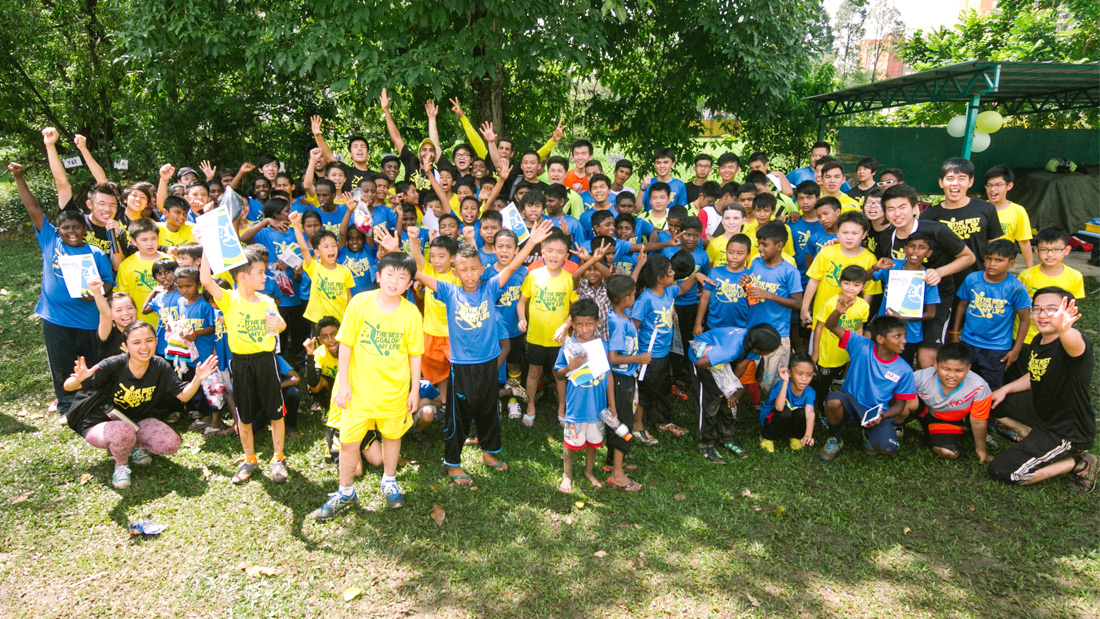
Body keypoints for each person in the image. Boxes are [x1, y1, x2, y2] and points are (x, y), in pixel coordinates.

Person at [410, 221, 551, 485]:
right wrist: (404, 249)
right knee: (459, 416)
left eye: (474, 268)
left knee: (489, 412)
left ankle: (490, 453)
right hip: (461, 367)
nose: (470, 274)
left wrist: (531, 242)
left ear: (482, 269)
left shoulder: (490, 288)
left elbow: (511, 266)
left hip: (488, 364)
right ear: (455, 271)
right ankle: (453, 464)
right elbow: (420, 275)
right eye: (463, 269)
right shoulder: (449, 292)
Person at [312, 251, 424, 517]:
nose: (394, 281)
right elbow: (346, 345)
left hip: (394, 391)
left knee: (392, 436)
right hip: (357, 393)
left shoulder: (411, 313)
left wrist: (415, 390)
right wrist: (344, 384)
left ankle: (389, 480)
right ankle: (345, 491)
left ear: (409, 284)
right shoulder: (360, 303)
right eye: (389, 275)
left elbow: (415, 354)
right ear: (378, 276)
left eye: (402, 277)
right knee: (349, 442)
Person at [12, 161, 115, 422]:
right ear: (58, 230)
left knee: (91, 362)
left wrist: (97, 290)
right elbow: (33, 208)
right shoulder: (50, 240)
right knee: (61, 362)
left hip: (88, 318)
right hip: (55, 317)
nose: (71, 232)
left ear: (84, 230)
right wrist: (18, 176)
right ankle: (67, 404)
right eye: (66, 228)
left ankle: (91, 401)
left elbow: (108, 282)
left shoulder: (96, 252)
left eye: (76, 228)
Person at [63, 321, 217, 489]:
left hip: (135, 421)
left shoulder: (159, 366)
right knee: (123, 431)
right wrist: (79, 379)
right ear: (125, 347)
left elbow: (184, 396)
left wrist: (198, 378)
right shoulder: (113, 365)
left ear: (156, 342)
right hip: (97, 422)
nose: (144, 346)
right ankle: (121, 465)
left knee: (170, 443)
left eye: (149, 340)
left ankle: (134, 445)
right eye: (136, 342)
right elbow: (68, 386)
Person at [987, 290, 1097, 493]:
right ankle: (1028, 435)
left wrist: (1065, 330)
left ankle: (1080, 462)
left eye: (1051, 310)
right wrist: (1005, 389)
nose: (1043, 315)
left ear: (1066, 312)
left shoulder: (1071, 343)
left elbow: (1075, 346)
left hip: (1066, 432)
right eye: (1037, 309)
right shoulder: (1040, 340)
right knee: (990, 400)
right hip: (1042, 414)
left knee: (1004, 470)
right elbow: (1035, 373)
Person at [199, 246, 290, 485]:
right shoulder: (229, 299)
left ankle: (278, 457)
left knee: (275, 410)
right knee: (245, 414)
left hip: (265, 361)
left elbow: (279, 325)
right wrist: (206, 246)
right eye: (260, 272)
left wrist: (278, 322)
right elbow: (205, 280)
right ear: (242, 276)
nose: (265, 277)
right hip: (240, 363)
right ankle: (249, 459)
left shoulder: (267, 300)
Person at [876, 184, 976, 369]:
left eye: (902, 207)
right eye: (891, 209)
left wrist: (939, 272)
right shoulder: (886, 236)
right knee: (897, 354)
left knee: (926, 359)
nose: (896, 213)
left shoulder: (936, 231)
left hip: (935, 302)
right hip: (902, 304)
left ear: (914, 208)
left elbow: (969, 257)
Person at [631, 253, 713, 440]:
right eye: (670, 272)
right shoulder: (645, 300)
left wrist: (695, 276)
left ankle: (661, 420)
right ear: (660, 279)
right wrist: (636, 356)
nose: (674, 273)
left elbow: (683, 289)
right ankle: (637, 424)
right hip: (648, 355)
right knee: (645, 390)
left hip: (663, 352)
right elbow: (633, 328)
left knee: (661, 386)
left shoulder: (668, 291)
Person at [820, 305, 917, 462]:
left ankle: (869, 433)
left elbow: (900, 406)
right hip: (850, 404)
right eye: (897, 336)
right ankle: (835, 438)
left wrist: (881, 415)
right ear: (880, 339)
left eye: (904, 336)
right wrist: (838, 311)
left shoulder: (904, 370)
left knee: (888, 449)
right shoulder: (860, 345)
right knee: (833, 400)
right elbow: (831, 326)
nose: (904, 341)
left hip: (877, 413)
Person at [690, 324, 781, 462]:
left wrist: (729, 387)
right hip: (702, 358)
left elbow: (741, 365)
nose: (769, 354)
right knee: (711, 402)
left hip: (720, 360)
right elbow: (700, 364)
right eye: (768, 352)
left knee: (728, 400)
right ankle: (706, 444)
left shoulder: (751, 342)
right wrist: (720, 386)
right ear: (758, 349)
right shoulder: (730, 351)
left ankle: (726, 438)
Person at [949, 240, 1031, 390]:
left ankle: (985, 413)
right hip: (968, 342)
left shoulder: (1016, 288)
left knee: (989, 386)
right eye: (988, 258)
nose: (992, 264)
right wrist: (954, 332)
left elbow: (1025, 319)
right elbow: (962, 305)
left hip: (997, 348)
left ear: (1011, 263)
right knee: (963, 381)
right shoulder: (973, 279)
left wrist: (1016, 350)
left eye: (999, 260)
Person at [554, 299, 615, 493]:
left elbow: (609, 375)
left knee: (593, 442)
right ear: (572, 323)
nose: (584, 329)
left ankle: (589, 471)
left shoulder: (603, 346)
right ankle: (567, 474)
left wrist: (611, 404)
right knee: (571, 442)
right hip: (576, 406)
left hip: (597, 407)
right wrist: (570, 367)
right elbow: (557, 374)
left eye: (589, 323)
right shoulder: (569, 347)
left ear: (598, 322)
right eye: (579, 324)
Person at [518, 230, 577, 427]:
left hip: (558, 338)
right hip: (535, 336)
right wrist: (521, 319)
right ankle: (531, 406)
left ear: (566, 255)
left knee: (559, 374)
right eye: (550, 250)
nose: (554, 255)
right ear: (542, 252)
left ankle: (562, 408)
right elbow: (522, 301)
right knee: (534, 372)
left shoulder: (568, 278)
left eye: (559, 252)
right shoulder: (533, 275)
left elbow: (574, 309)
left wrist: (565, 326)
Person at [921, 157, 1003, 292]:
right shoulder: (928, 216)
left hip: (978, 282)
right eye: (950, 178)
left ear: (971, 182)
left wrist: (994, 277)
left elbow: (995, 246)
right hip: (942, 284)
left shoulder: (986, 209)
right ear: (941, 182)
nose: (955, 183)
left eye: (961, 178)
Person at [742, 222, 803, 393]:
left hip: (777, 333)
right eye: (759, 243)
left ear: (779, 246)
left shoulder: (790, 271)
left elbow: (798, 303)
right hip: (753, 327)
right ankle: (755, 403)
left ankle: (774, 409)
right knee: (751, 374)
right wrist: (745, 286)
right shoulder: (755, 263)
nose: (760, 248)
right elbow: (753, 291)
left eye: (764, 245)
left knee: (772, 381)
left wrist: (769, 295)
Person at [869, 231, 941, 366]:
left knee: (900, 367)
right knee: (876, 365)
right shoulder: (892, 266)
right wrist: (875, 267)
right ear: (905, 249)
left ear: (928, 253)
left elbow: (931, 313)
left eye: (922, 247)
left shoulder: (928, 277)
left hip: (909, 334)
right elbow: (863, 279)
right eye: (912, 246)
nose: (916, 251)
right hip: (883, 330)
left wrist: (902, 316)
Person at [801, 211, 881, 331]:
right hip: (822, 317)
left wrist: (861, 316)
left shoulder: (870, 259)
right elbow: (813, 281)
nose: (849, 237)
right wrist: (804, 308)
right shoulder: (827, 252)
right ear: (837, 233)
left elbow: (868, 292)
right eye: (844, 232)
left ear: (864, 235)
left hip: (850, 321)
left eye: (855, 233)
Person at [912, 344, 993, 461]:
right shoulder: (920, 377)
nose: (952, 375)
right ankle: (897, 428)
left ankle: (931, 435)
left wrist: (981, 450)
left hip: (948, 420)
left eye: (959, 370)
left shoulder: (979, 387)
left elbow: (978, 421)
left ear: (968, 368)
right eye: (946, 369)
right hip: (924, 411)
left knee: (949, 453)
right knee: (905, 398)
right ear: (935, 365)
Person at [605, 275, 649, 492]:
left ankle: (612, 462)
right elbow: (613, 358)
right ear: (625, 299)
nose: (635, 297)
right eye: (633, 294)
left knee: (616, 423)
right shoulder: (618, 324)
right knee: (624, 425)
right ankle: (618, 475)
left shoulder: (621, 317)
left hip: (624, 378)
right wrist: (639, 359)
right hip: (621, 380)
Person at [810, 265, 870, 414]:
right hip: (826, 354)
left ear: (862, 287)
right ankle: (820, 409)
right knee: (822, 384)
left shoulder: (863, 306)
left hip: (844, 354)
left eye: (856, 285)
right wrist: (815, 353)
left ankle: (832, 405)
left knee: (837, 381)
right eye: (847, 283)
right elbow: (818, 327)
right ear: (840, 282)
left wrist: (858, 350)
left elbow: (859, 327)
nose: (851, 288)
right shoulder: (831, 303)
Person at [1016, 227, 1085, 347]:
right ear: (1036, 251)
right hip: (1026, 335)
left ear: (1067, 250)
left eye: (1056, 249)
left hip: (1056, 336)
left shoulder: (1075, 276)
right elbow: (1017, 306)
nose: (1050, 254)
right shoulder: (1026, 276)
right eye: (1044, 250)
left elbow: (1072, 308)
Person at [288, 210, 356, 327]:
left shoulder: (345, 271)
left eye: (334, 246)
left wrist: (350, 317)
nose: (331, 250)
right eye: (326, 247)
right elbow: (304, 248)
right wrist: (295, 225)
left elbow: (348, 296)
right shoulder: (314, 268)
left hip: (340, 320)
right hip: (318, 321)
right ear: (317, 252)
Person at [117, 219, 172, 327]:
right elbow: (122, 296)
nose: (150, 243)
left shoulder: (169, 260)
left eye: (153, 238)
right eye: (144, 240)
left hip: (168, 323)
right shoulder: (126, 265)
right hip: (140, 322)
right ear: (133, 241)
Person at [759, 352, 817, 454]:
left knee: (802, 413)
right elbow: (779, 408)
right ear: (789, 373)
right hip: (774, 418)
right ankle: (767, 437)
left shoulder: (810, 391)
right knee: (785, 412)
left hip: (788, 419)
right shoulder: (781, 385)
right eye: (799, 374)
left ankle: (795, 436)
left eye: (809, 375)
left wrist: (808, 434)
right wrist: (785, 382)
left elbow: (810, 412)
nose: (804, 379)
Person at [695, 234, 752, 335]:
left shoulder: (750, 276)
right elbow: (704, 299)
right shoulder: (715, 272)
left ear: (748, 255)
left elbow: (754, 304)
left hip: (740, 329)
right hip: (713, 326)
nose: (734, 257)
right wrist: (698, 323)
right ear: (726, 252)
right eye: (730, 252)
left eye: (740, 253)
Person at [983, 166, 1033, 269]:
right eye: (989, 185)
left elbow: (1024, 242)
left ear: (1009, 186)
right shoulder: (979, 208)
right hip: (980, 262)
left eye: (998, 185)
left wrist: (1030, 269)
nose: (992, 189)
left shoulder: (1018, 211)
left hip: (1002, 264)